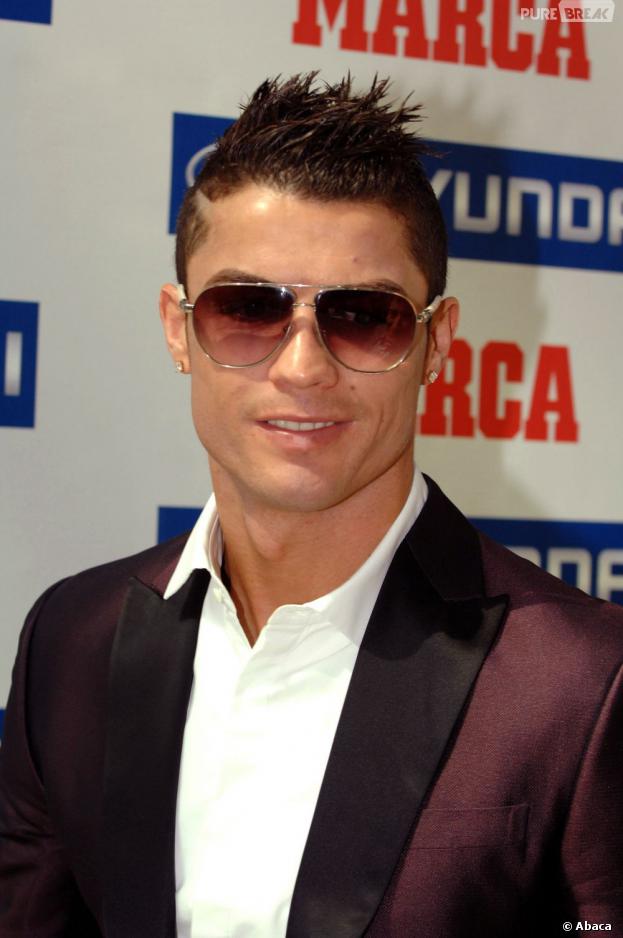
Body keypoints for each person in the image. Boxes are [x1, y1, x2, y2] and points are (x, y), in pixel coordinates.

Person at [1, 73, 622, 938]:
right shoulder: (71, 641)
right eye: (247, 309)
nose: (302, 368)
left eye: (364, 315)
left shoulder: (582, 682)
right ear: (178, 329)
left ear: (435, 342)